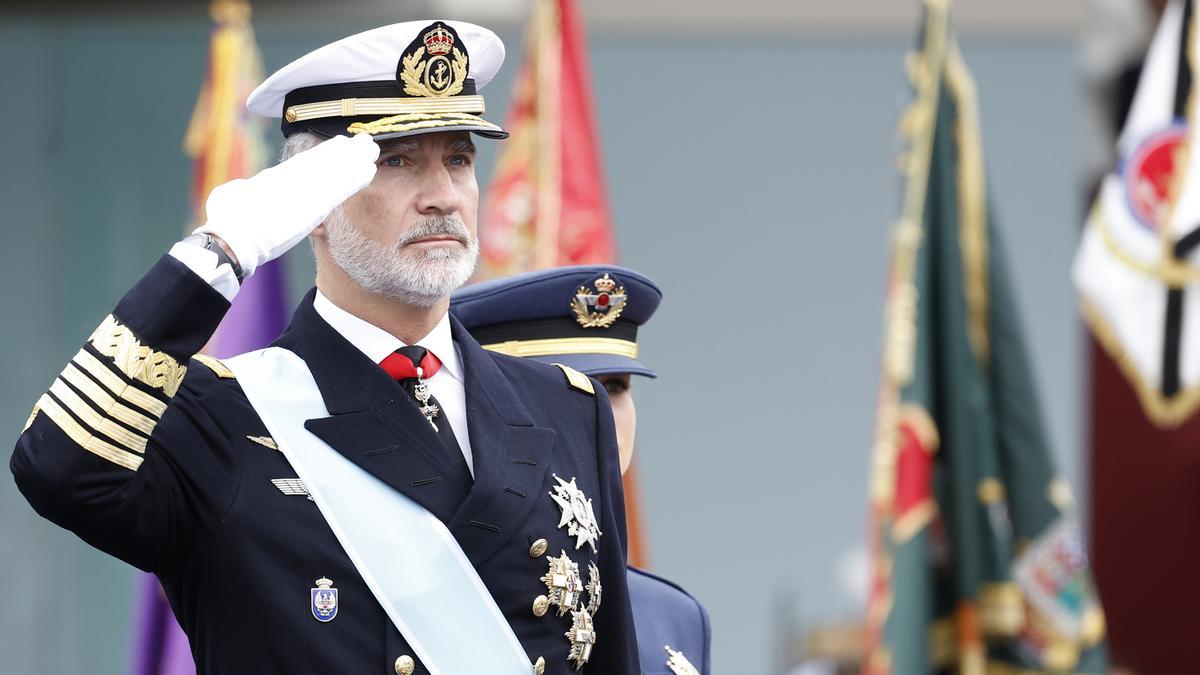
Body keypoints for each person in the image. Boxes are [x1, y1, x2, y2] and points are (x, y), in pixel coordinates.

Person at [10, 20, 639, 675]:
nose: (442, 197)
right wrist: (219, 254)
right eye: (397, 161)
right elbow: (56, 467)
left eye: (457, 158)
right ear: (310, 203)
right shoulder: (219, 414)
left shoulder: (566, 406)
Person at [452, 265, 711, 675]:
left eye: (615, 387)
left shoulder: (676, 617)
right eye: (569, 386)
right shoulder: (433, 581)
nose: (598, 411)